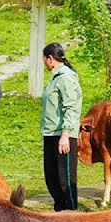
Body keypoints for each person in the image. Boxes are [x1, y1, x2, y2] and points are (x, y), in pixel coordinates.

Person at [40, 43, 82, 211]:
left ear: (50, 59)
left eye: (44, 59)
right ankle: (59, 214)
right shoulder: (55, 77)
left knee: (65, 180)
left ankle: (71, 215)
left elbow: (71, 107)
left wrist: (65, 135)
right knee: (52, 178)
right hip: (51, 133)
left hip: (62, 135)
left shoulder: (66, 77)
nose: (44, 63)